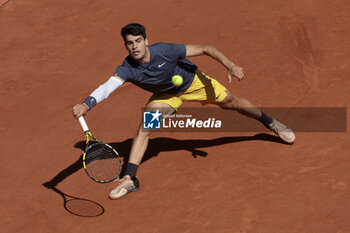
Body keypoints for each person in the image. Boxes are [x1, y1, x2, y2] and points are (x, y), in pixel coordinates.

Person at [72, 23, 295, 200]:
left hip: (194, 83)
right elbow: (107, 88)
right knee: (145, 127)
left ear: (146, 41)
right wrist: (86, 104)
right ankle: (130, 178)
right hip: (167, 96)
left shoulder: (165, 50)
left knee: (232, 102)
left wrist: (230, 65)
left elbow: (207, 48)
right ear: (126, 46)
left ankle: (271, 122)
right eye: (130, 43)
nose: (135, 47)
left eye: (138, 41)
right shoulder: (127, 68)